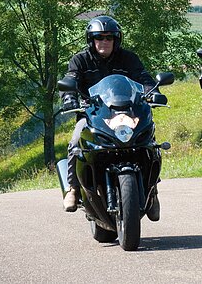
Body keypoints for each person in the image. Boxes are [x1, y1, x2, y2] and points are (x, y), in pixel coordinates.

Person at [60, 15, 165, 214]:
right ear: (91, 40)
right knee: (76, 142)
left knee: (149, 140)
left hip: (126, 113)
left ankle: (152, 191)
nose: (104, 42)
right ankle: (72, 189)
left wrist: (154, 92)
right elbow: (70, 79)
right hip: (92, 115)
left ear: (116, 40)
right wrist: (69, 98)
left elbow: (143, 78)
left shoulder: (128, 58)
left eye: (109, 38)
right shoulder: (80, 60)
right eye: (99, 37)